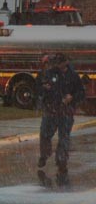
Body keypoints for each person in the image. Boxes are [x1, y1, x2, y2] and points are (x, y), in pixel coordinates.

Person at [36, 52, 85, 188]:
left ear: (66, 62)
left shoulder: (73, 76)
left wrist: (72, 97)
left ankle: (61, 161)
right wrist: (44, 89)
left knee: (64, 138)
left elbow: (81, 93)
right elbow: (38, 87)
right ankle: (44, 155)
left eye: (61, 62)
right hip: (51, 111)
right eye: (57, 62)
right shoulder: (49, 73)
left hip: (66, 113)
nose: (58, 65)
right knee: (45, 134)